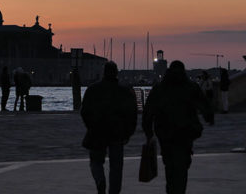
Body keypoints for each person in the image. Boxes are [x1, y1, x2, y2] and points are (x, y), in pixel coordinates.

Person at [142, 60, 214, 194]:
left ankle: (172, 189)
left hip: (165, 133)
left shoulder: (159, 88)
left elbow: (148, 112)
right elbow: (204, 105)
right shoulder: (191, 87)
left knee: (169, 166)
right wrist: (209, 117)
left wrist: (148, 132)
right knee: (182, 167)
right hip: (185, 133)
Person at [80, 61, 137, 194]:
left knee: (95, 161)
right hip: (118, 133)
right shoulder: (125, 91)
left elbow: (84, 112)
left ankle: (100, 180)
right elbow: (132, 114)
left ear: (103, 73)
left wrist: (91, 127)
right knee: (116, 167)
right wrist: (128, 133)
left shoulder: (92, 90)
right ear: (116, 73)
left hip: (97, 132)